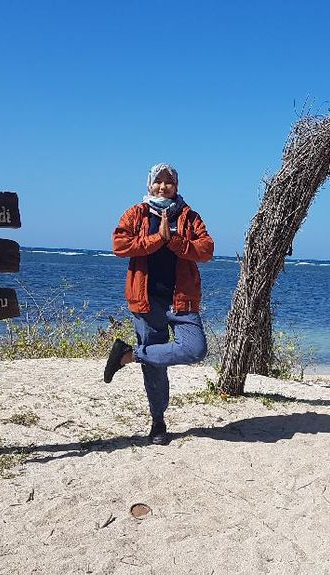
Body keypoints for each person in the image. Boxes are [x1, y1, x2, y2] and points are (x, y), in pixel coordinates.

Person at [104, 163, 214, 445]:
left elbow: (206, 250)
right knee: (155, 366)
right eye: (158, 181)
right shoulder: (136, 213)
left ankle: (129, 355)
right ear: (149, 184)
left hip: (182, 299)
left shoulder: (189, 216)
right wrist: (157, 239)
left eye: (169, 182)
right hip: (147, 299)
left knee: (195, 349)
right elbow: (120, 245)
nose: (163, 186)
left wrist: (174, 240)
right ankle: (158, 422)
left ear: (176, 186)